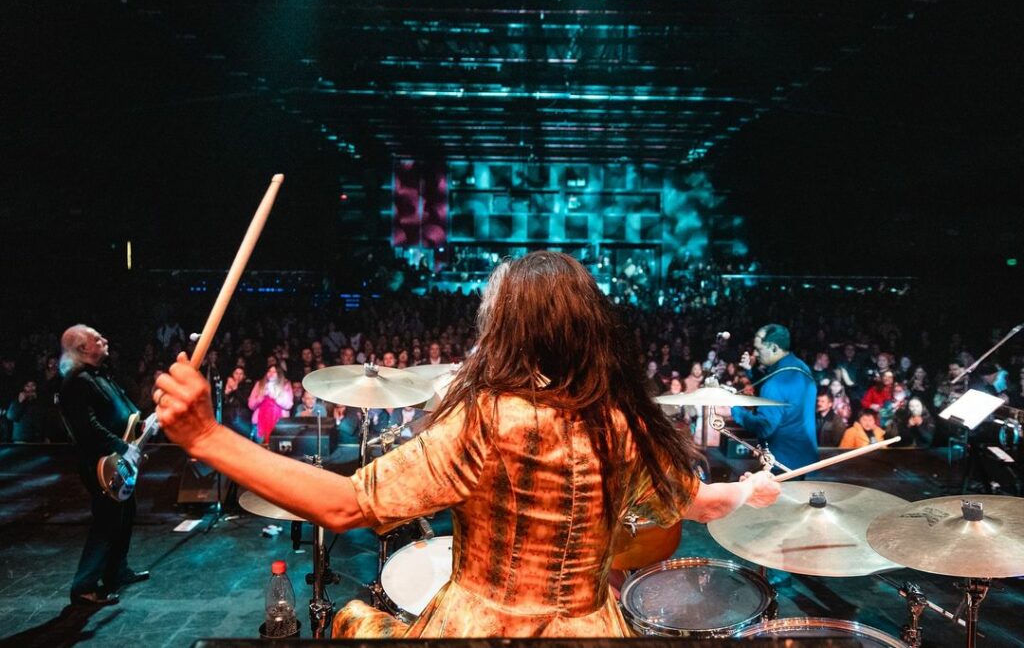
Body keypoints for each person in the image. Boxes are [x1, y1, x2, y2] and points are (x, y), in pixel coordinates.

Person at [154, 251, 780, 638]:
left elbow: (346, 506)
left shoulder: (487, 419)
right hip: (595, 627)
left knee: (352, 620)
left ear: (507, 328)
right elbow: (700, 503)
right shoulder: (623, 424)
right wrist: (750, 489)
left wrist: (208, 438)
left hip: (481, 627)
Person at [57, 325, 149, 606]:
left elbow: (121, 412)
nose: (105, 340)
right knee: (107, 521)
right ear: (83, 349)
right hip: (100, 462)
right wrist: (123, 448)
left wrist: (140, 428)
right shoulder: (76, 382)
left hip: (117, 457)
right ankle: (84, 586)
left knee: (124, 514)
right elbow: (88, 427)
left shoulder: (99, 375)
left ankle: (116, 572)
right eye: (97, 338)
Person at [718, 324, 818, 471]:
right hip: (806, 457)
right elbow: (785, 397)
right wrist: (751, 372)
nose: (756, 354)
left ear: (774, 348)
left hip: (781, 463)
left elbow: (764, 427)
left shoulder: (773, 385)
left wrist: (733, 410)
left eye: (759, 349)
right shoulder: (801, 367)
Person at [247, 364, 293, 445]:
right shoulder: (259, 384)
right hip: (260, 424)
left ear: (279, 374)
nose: (271, 373)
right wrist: (260, 398)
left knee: (276, 451)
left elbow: (289, 405)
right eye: (269, 371)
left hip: (279, 424)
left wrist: (275, 396)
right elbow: (251, 405)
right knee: (262, 450)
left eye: (274, 372)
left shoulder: (285, 384)